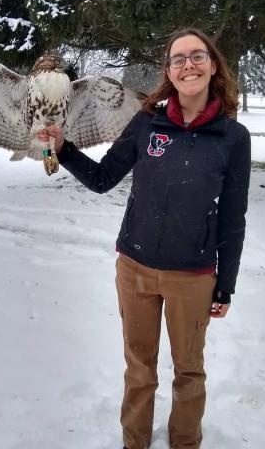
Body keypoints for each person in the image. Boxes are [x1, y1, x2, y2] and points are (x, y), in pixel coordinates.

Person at [36, 27, 251, 449]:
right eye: (178, 59)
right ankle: (135, 442)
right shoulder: (147, 123)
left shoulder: (232, 138)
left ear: (213, 65)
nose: (187, 65)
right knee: (139, 368)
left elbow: (232, 216)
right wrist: (63, 149)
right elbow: (102, 178)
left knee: (189, 369)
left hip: (193, 275)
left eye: (197, 56)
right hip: (134, 268)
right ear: (168, 71)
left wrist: (225, 284)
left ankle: (184, 442)